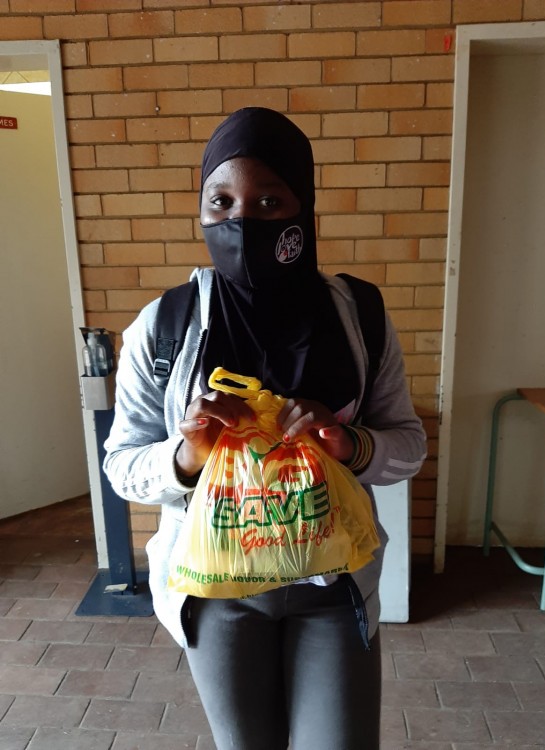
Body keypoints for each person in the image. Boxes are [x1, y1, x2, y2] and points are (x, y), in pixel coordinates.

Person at [104, 107, 427, 750]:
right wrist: (186, 456)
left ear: (303, 207)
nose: (242, 222)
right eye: (221, 202)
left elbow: (409, 448)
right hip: (217, 594)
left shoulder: (359, 316)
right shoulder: (161, 327)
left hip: (332, 586)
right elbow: (122, 466)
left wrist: (349, 444)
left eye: (269, 201)